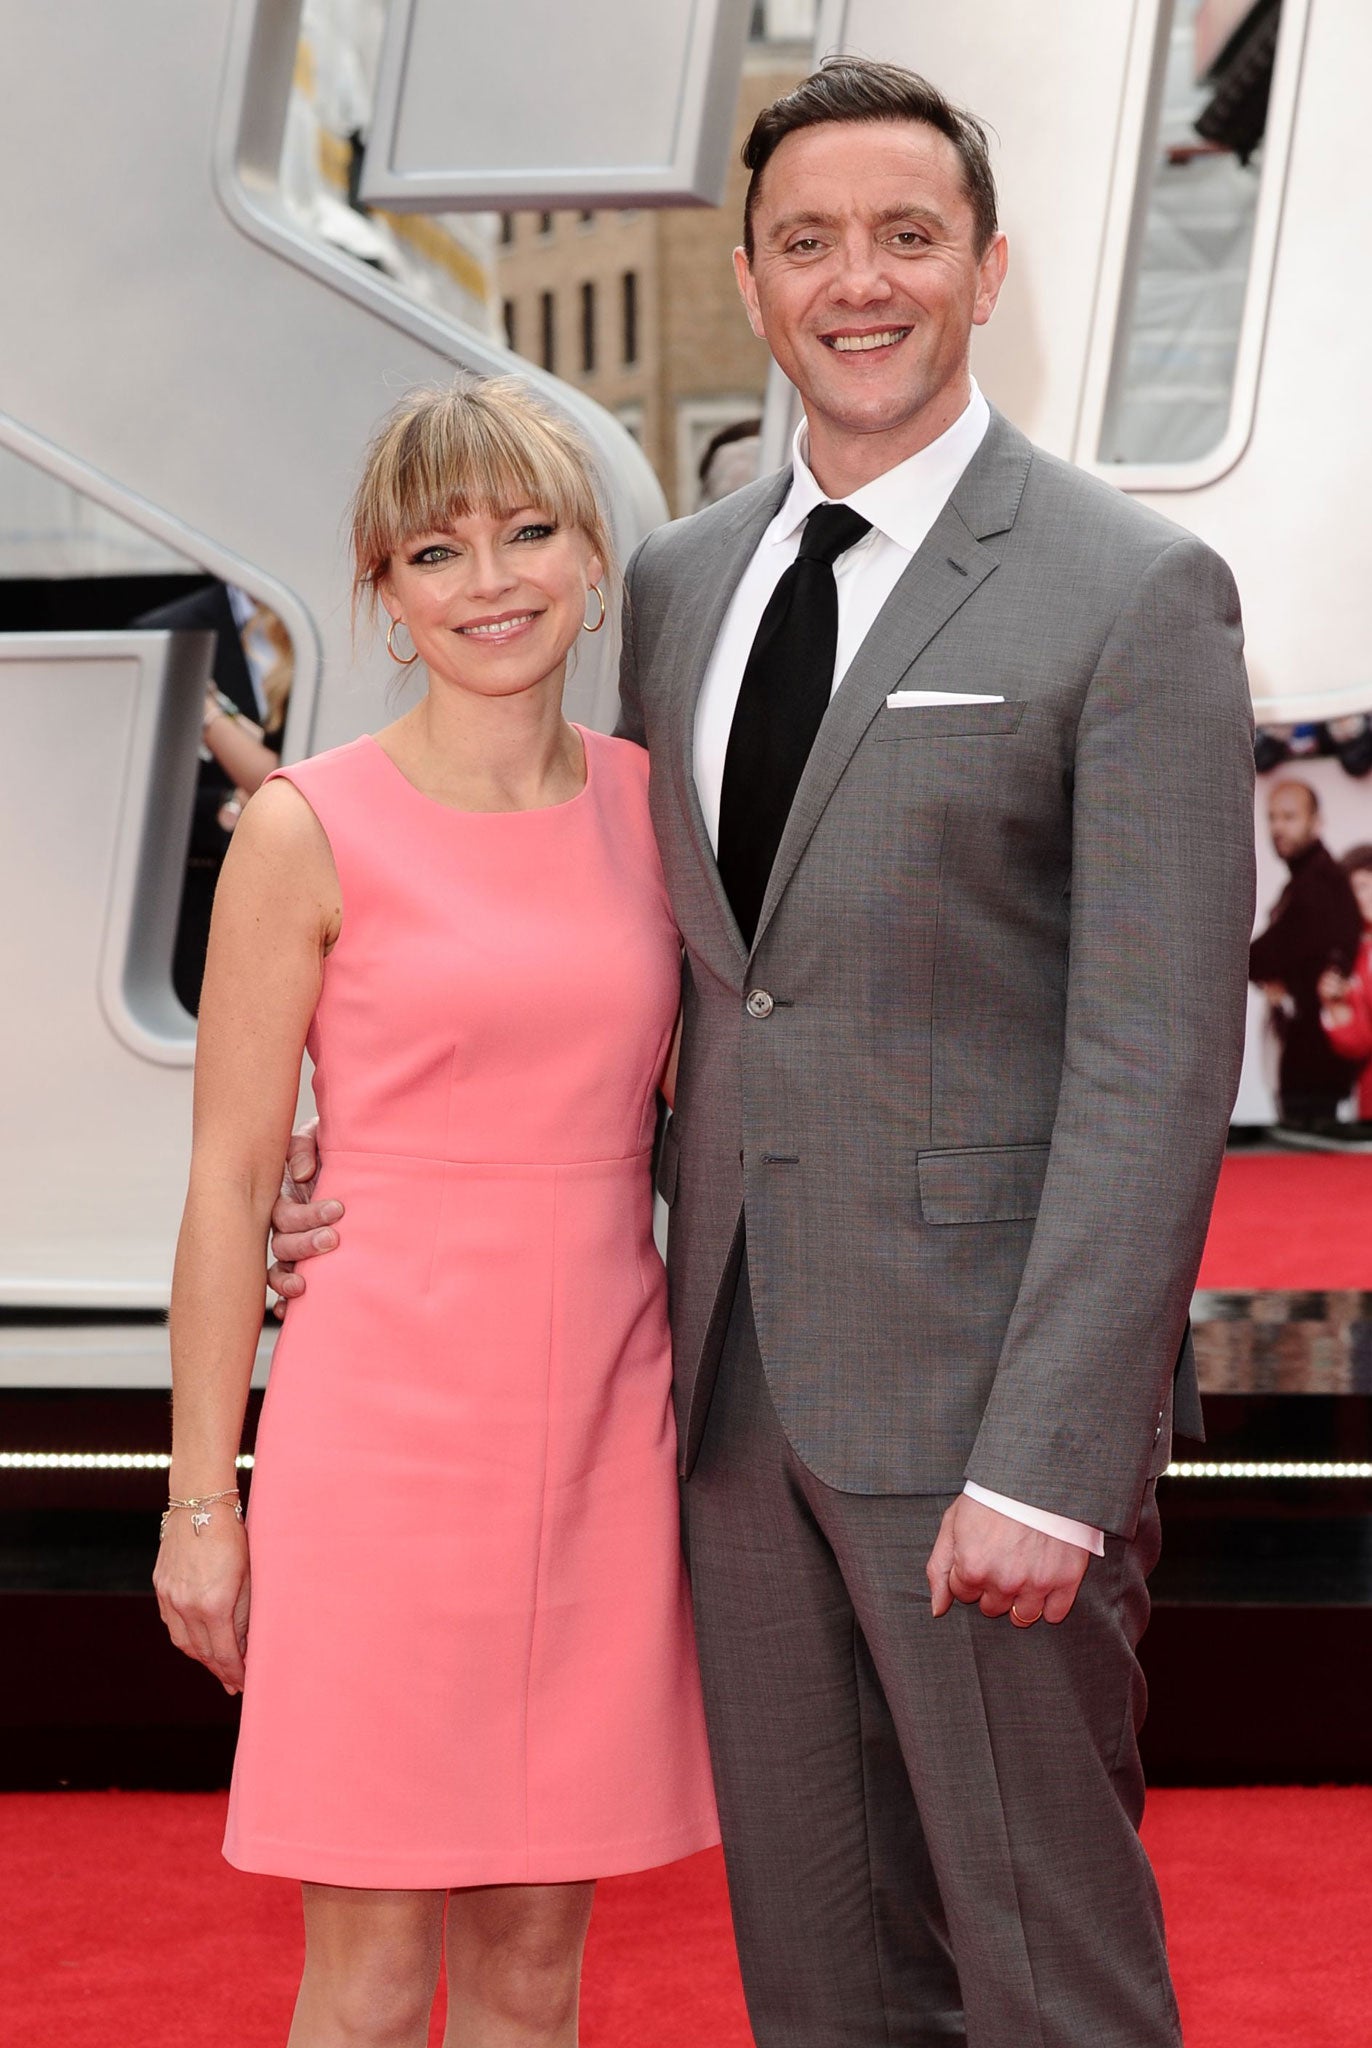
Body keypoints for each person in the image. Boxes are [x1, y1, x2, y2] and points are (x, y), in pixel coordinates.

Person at [272, 58, 1256, 2048]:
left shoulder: (1125, 584)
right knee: (816, 1985)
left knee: (1046, 1969)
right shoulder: (679, 582)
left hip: (981, 1426)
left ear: (986, 271)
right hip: (718, 1423)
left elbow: (1153, 1059)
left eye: (905, 237)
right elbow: (649, 960)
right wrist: (355, 1161)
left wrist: (1055, 1461)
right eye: (808, 242)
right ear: (748, 277)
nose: (856, 279)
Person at [153, 379, 717, 2048]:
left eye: (528, 530)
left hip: (602, 1434)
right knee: (373, 1976)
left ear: (593, 558)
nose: (490, 578)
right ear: (383, 593)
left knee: (537, 1979)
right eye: (435, 547)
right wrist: (201, 1500)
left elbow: (725, 1100)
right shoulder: (305, 824)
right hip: (379, 1442)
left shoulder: (655, 813)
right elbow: (231, 1183)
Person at [134, 580, 292, 1012]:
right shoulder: (168, 631)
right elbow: (141, 782)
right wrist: (226, 806)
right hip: (204, 892)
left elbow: (274, 773)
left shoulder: (318, 627)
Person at [1250, 779, 1362, 1124]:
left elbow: (1261, 957)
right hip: (1307, 1063)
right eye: (1271, 817)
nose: (1277, 827)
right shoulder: (1306, 880)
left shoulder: (1319, 883)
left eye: (1289, 816)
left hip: (1315, 1069)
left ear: (1316, 821)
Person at [1318, 844, 1372, 1119]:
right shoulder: (1351, 953)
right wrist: (1337, 1006)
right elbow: (1360, 1043)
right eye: (1356, 888)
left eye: (1364, 885)